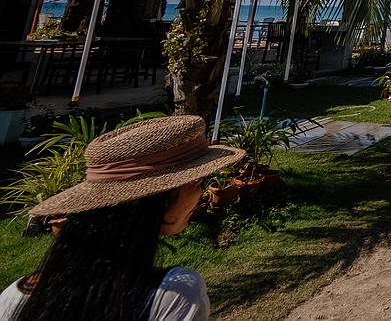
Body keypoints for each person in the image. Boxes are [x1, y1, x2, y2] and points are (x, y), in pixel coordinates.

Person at [0, 116, 244, 321]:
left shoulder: (14, 297)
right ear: (164, 198)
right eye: (198, 182)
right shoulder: (175, 294)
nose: (200, 194)